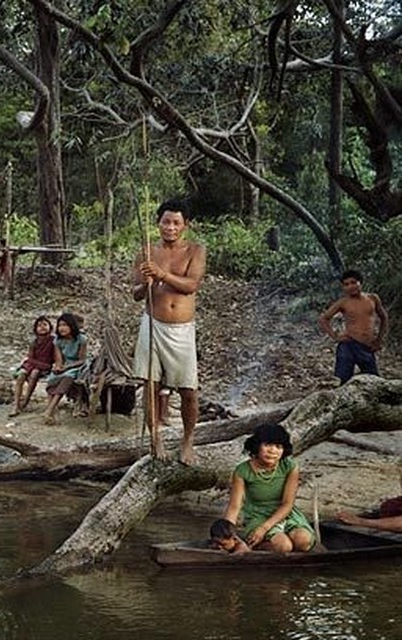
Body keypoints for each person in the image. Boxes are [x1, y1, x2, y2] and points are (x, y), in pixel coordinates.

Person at [131, 198, 206, 464]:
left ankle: (187, 441)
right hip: (152, 324)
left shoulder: (195, 250)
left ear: (185, 225)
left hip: (182, 329)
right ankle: (156, 438)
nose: (170, 227)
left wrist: (162, 274)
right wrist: (147, 284)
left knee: (188, 390)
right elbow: (136, 294)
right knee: (150, 385)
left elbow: (191, 285)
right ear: (158, 223)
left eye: (176, 222)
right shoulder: (147, 252)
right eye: (166, 222)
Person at [221, 423, 316, 553]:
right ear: (257, 446)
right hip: (258, 516)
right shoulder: (242, 471)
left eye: (278, 446)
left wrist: (264, 528)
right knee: (284, 546)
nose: (273, 451)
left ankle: (279, 540)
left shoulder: (290, 467)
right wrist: (226, 533)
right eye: (267, 445)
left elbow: (287, 504)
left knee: (303, 541)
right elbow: (234, 507)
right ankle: (258, 545)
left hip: (286, 514)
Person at [318, 268, 389, 384]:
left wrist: (379, 340)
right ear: (343, 287)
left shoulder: (372, 298)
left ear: (360, 283)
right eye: (346, 284)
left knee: (374, 382)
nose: (351, 286)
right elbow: (323, 318)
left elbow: (384, 317)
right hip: (348, 345)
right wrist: (335, 336)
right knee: (342, 380)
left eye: (353, 282)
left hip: (367, 347)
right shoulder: (343, 302)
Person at [41, 312, 88, 425]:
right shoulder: (58, 340)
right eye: (60, 325)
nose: (62, 328)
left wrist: (67, 367)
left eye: (65, 325)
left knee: (68, 376)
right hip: (65, 364)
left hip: (77, 365)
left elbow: (82, 360)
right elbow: (59, 359)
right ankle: (52, 411)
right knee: (53, 378)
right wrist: (58, 367)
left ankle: (50, 410)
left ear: (71, 326)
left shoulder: (81, 339)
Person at [9, 315, 54, 416]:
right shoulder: (34, 342)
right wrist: (35, 364)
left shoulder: (53, 341)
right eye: (39, 325)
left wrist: (47, 366)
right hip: (32, 364)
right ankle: (15, 405)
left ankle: (26, 400)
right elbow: (30, 358)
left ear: (50, 327)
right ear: (35, 329)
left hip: (44, 367)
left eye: (45, 324)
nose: (42, 327)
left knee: (35, 373)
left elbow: (55, 357)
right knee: (21, 375)